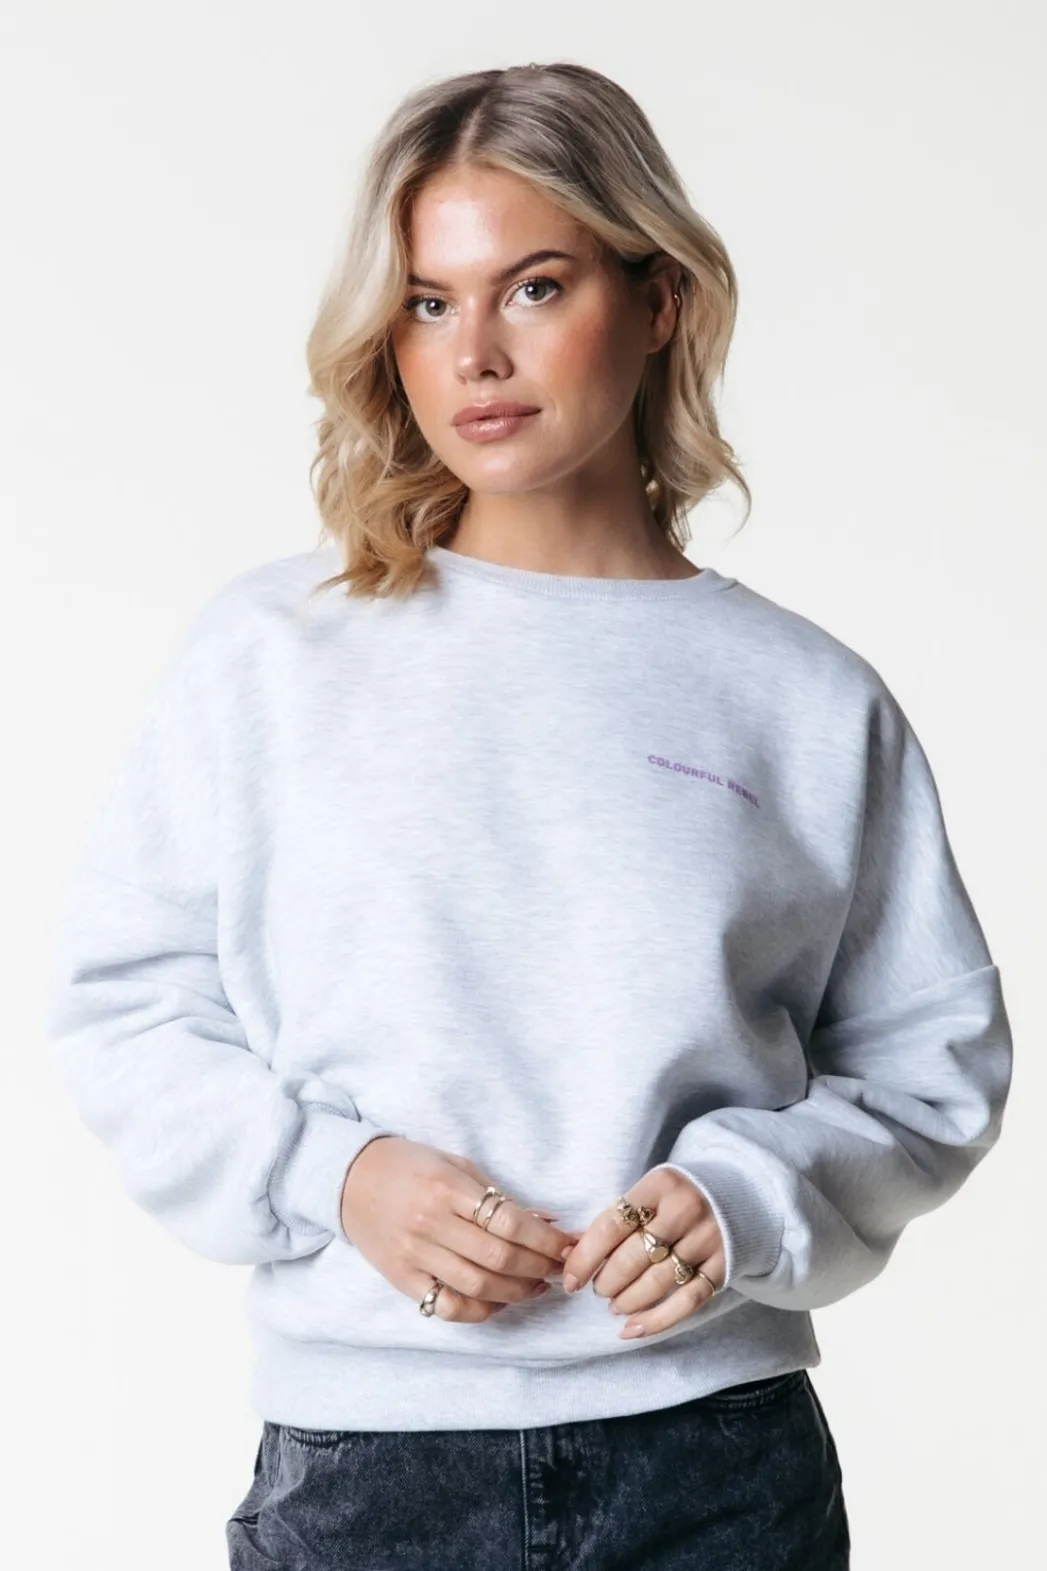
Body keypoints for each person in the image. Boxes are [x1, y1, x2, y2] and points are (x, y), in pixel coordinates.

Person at [44, 60, 1013, 1571]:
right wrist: (337, 1175)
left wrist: (745, 1193)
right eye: (428, 302)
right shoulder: (274, 655)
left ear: (659, 297)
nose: (476, 355)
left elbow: (931, 1061)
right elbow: (126, 1011)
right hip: (367, 1472)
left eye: (535, 287)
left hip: (715, 1465)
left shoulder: (805, 698)